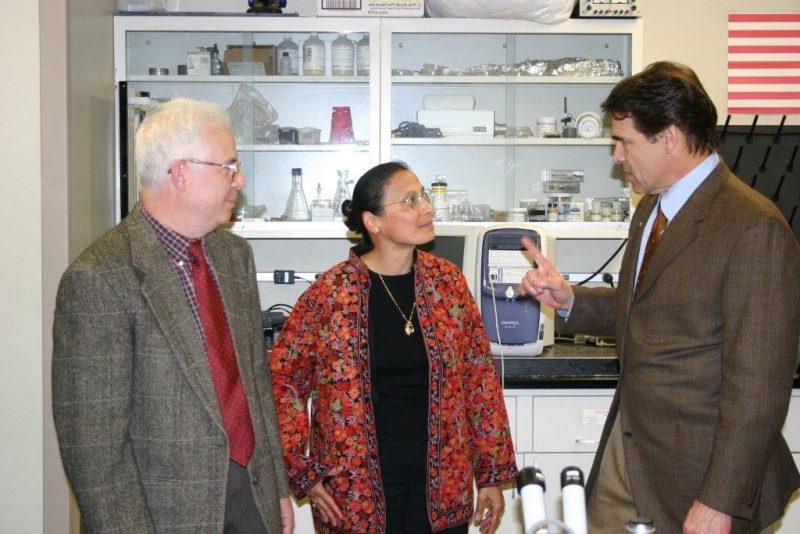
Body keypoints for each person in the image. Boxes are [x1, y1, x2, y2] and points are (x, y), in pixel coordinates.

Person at [520, 61, 800, 534]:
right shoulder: (652, 207)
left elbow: (760, 388)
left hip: (699, 477)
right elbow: (649, 308)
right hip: (628, 451)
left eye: (624, 140)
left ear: (669, 136)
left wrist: (720, 501)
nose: (615, 156)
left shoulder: (753, 227)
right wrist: (567, 300)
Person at [52, 98, 293, 533]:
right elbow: (94, 451)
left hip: (251, 496)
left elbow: (254, 384)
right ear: (181, 173)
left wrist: (276, 487)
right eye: (229, 167)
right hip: (164, 516)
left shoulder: (234, 255)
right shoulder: (100, 277)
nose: (239, 180)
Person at [269, 161, 517, 534]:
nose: (427, 208)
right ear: (374, 222)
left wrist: (491, 475)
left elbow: (478, 381)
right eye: (410, 200)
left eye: (424, 198)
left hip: (442, 487)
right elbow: (282, 380)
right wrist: (298, 469)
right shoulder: (330, 294)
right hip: (354, 493)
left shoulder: (447, 285)